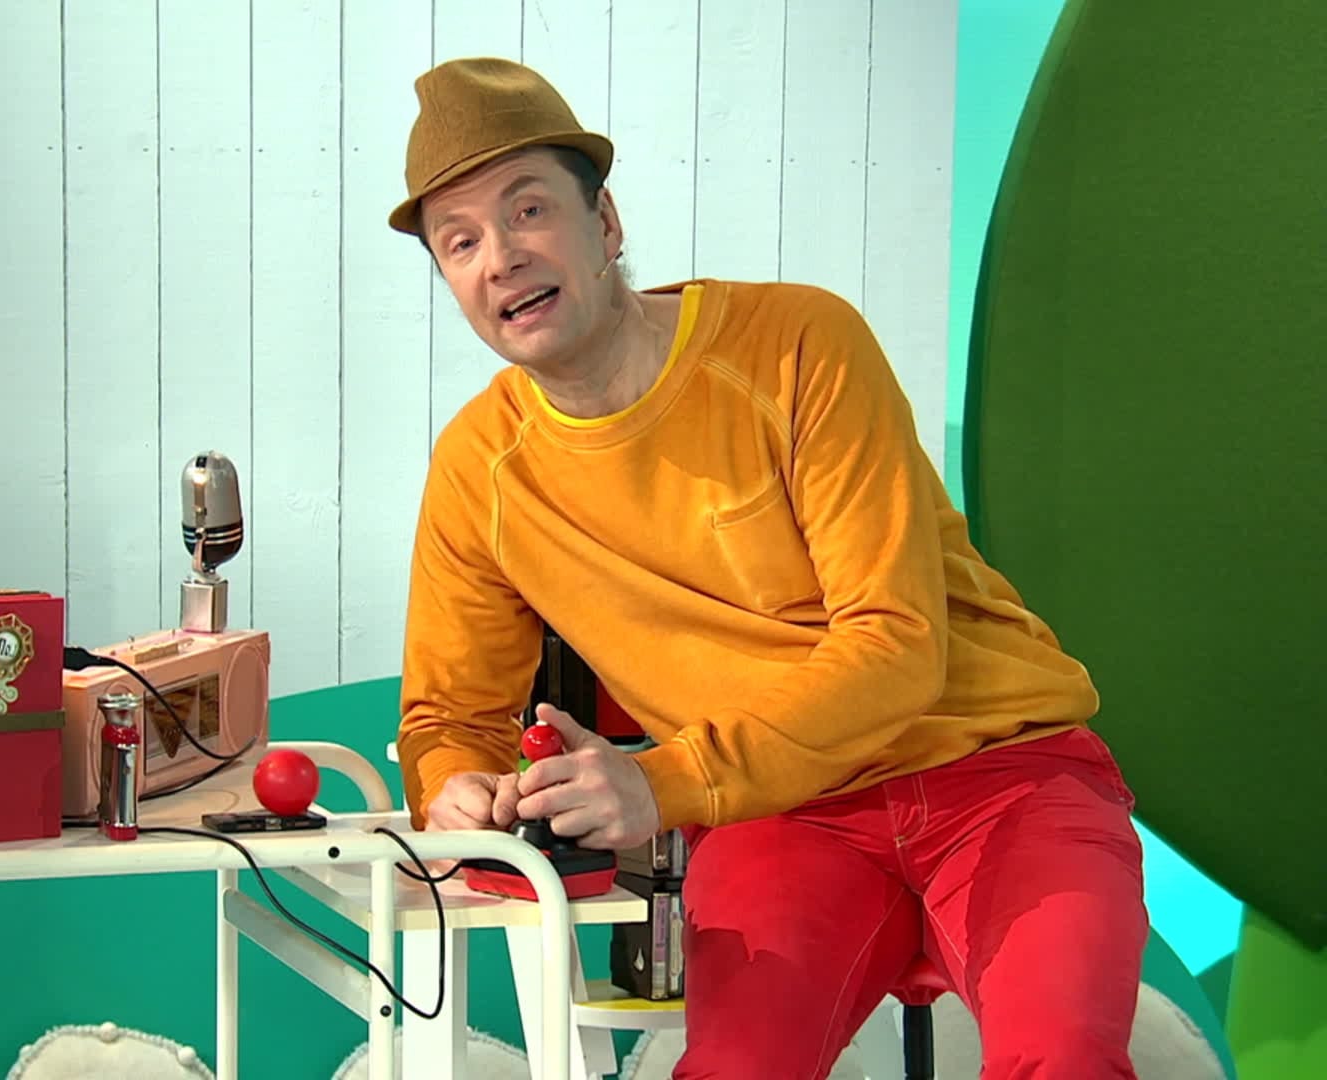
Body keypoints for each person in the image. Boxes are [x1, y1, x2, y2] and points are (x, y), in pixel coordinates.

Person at [388, 57, 1148, 1079]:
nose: (502, 259)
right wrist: (455, 791)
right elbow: (448, 716)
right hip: (783, 819)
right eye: (461, 241)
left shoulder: (800, 343)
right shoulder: (477, 466)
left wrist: (662, 782)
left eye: (530, 211)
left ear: (605, 223)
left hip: (998, 771)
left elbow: (896, 645)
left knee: (1065, 1060)